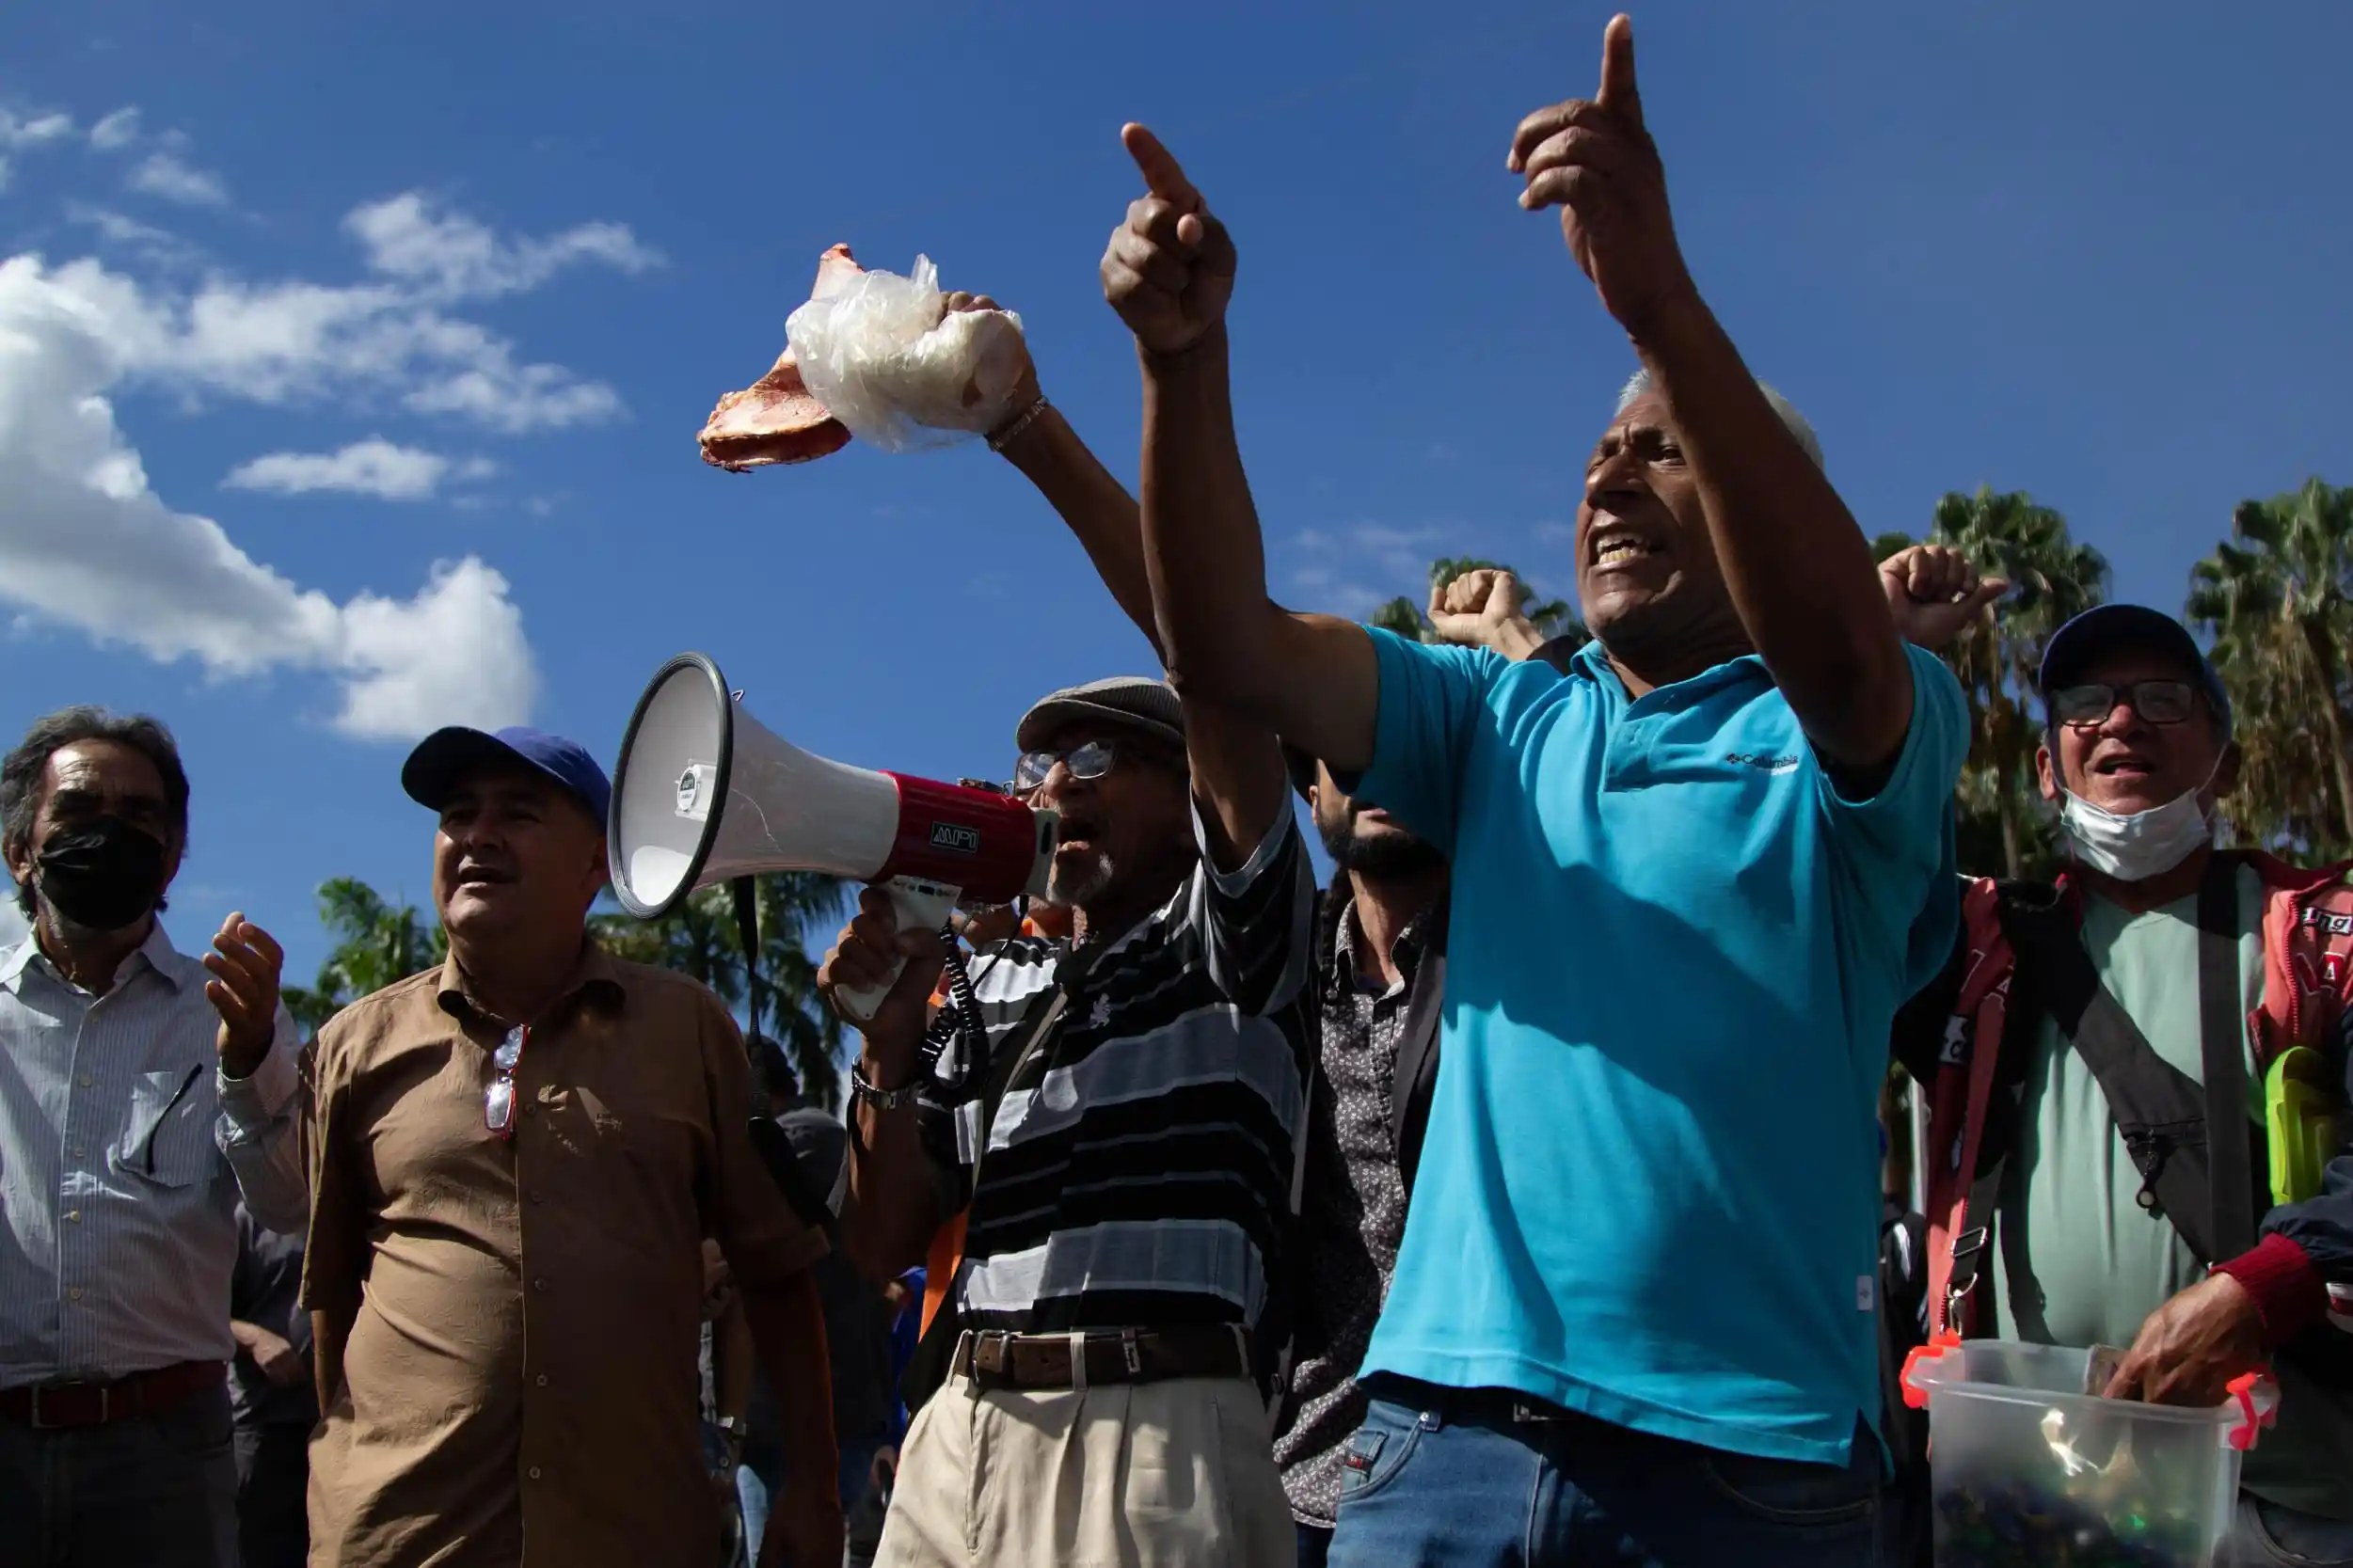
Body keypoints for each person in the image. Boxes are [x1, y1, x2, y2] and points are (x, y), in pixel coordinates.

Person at [1094, 12, 1993, 1560]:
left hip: (1747, 1470)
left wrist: (1654, 299)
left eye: (1662, 454)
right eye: (1594, 454)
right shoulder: (1503, 720)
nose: (1604, 479)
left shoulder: (1863, 723)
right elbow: (1226, 646)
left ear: (1774, 507)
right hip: (1435, 1448)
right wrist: (1183, 367)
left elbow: (1844, 658)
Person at [299, 724, 842, 1568]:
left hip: (634, 1536)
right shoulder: (353, 1046)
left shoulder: (687, 1029)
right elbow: (333, 1295)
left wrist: (812, 1485)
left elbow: (774, 1269)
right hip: (404, 1537)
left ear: (595, 865)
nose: (477, 835)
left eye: (517, 814)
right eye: (457, 814)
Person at [819, 671, 1312, 1568]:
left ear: (1190, 792)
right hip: (960, 1432)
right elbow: (875, 1239)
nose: (1056, 784)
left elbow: (1234, 722)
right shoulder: (998, 981)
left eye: (1098, 755)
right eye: (1042, 765)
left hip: (1149, 1425)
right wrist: (886, 1047)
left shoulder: (1232, 945)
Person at [1894, 603, 2353, 1566]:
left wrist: (2263, 1287)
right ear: (2042, 768)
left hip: (2291, 1512)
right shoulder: (1971, 946)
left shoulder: (2323, 933)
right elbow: (1844, 839)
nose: (2119, 720)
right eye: (2083, 704)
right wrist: (1895, 655)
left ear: (2221, 764)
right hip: (2029, 1499)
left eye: (2161, 698)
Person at [0, 706, 303, 1568]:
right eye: (82, 811)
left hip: (166, 1451)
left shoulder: (229, 1009)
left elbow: (286, 1201)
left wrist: (248, 1065)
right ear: (22, 850)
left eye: (140, 816)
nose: (113, 832)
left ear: (173, 855)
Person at [1272, 754, 1450, 1568]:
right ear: (1312, 797)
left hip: (1483, 1472)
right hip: (1305, 1478)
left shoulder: (1523, 954)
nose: (1377, 768)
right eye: (1345, 758)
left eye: (1400, 742)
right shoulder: (1280, 976)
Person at [228, 1203, 317, 1568]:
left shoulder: (347, 1207)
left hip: (338, 1421)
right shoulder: (248, 1217)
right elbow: (198, 1312)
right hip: (264, 1424)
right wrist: (253, 1339)